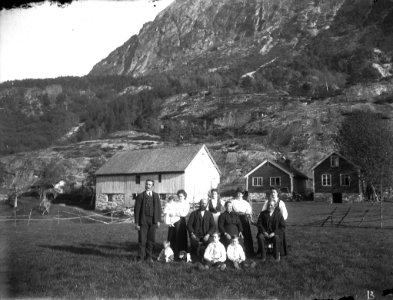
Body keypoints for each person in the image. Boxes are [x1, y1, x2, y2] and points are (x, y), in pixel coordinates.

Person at [134, 179, 162, 262]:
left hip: (153, 221)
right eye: (146, 184)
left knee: (151, 240)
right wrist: (137, 223)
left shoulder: (156, 196)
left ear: (152, 186)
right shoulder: (140, 196)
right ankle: (140, 258)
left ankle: (149, 257)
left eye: (150, 184)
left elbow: (158, 209)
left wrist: (158, 221)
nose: (148, 186)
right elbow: (137, 210)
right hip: (143, 220)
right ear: (145, 185)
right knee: (142, 240)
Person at [232, 187, 254, 257]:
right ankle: (235, 253)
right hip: (236, 218)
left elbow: (249, 211)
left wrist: (248, 216)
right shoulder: (233, 201)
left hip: (244, 219)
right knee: (236, 234)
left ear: (243, 194)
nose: (239, 195)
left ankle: (249, 252)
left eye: (240, 193)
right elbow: (230, 210)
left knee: (247, 235)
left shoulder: (245, 202)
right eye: (238, 193)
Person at [167, 190, 190, 260]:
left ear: (184, 196)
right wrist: (175, 213)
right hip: (173, 220)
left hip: (181, 222)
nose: (180, 197)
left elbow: (184, 214)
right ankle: (171, 253)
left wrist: (176, 213)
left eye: (181, 196)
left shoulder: (186, 204)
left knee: (180, 237)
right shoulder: (176, 203)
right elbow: (171, 211)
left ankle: (181, 254)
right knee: (172, 237)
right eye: (179, 196)